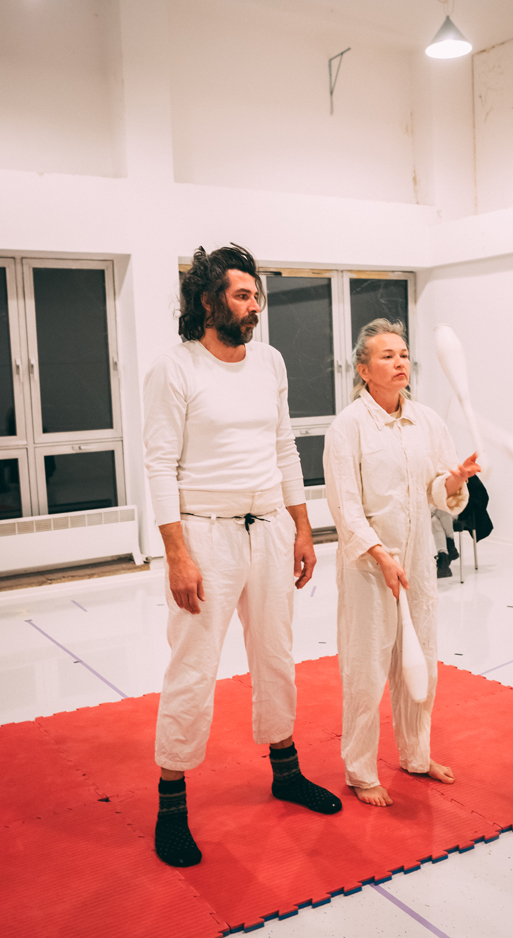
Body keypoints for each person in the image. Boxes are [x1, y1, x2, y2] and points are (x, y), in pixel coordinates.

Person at [144, 245, 342, 868]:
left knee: (277, 655)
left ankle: (286, 771)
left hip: (271, 528)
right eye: (242, 295)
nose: (255, 306)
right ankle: (171, 803)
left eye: (257, 296)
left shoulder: (270, 361)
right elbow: (159, 465)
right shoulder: (175, 368)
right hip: (205, 534)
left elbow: (284, 446)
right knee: (193, 667)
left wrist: (303, 528)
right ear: (208, 301)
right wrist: (177, 554)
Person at [323, 319, 480, 807]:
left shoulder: (427, 422)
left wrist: (454, 482)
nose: (400, 363)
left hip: (417, 561)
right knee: (367, 669)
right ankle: (360, 770)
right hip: (369, 565)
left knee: (423, 662)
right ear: (363, 369)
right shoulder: (347, 427)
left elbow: (435, 489)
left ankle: (416, 754)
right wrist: (378, 555)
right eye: (387, 356)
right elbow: (345, 506)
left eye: (405, 354)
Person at [431, 507, 459, 578]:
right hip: (437, 511)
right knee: (434, 520)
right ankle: (450, 546)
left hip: (454, 510)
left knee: (441, 509)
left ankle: (443, 560)